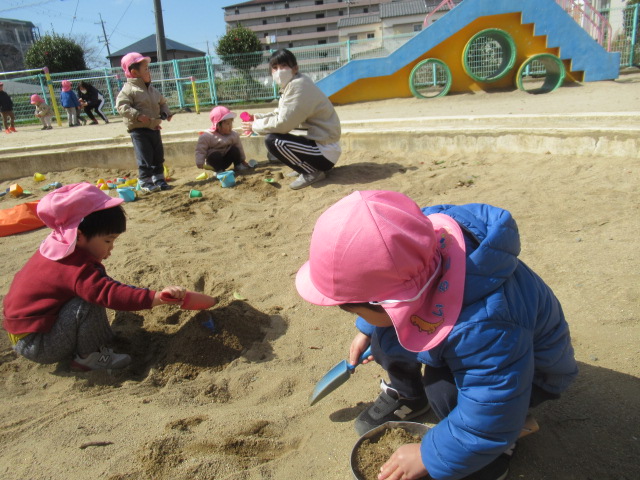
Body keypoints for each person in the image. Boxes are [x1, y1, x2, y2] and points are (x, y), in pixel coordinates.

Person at [295, 190, 578, 480]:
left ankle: (492, 457)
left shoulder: (487, 324)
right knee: (385, 338)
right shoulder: (415, 244)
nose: (360, 318)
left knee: (443, 389)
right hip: (468, 337)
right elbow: (384, 284)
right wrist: (368, 328)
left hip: (528, 376)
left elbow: (493, 407)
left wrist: (430, 454)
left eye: (359, 312)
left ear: (390, 302)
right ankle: (409, 395)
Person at [2, 183, 195, 371]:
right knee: (88, 302)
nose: (111, 247)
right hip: (39, 345)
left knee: (86, 294)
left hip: (24, 331)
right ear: (79, 235)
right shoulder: (75, 267)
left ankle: (85, 343)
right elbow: (109, 293)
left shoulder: (57, 246)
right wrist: (157, 297)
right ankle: (89, 357)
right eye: (108, 240)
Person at [242, 49, 341, 190]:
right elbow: (281, 113)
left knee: (273, 140)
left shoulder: (298, 86)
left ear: (295, 68)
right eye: (275, 68)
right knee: (278, 134)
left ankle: (312, 171)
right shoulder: (292, 84)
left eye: (283, 66)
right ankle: (305, 167)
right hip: (321, 143)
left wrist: (255, 126)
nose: (279, 71)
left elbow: (283, 123)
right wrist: (257, 118)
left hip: (325, 150)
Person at [116, 52, 173, 193]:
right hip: (139, 131)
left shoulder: (152, 90)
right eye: (146, 69)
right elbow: (121, 106)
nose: (149, 72)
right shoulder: (129, 90)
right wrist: (137, 115)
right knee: (145, 156)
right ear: (134, 72)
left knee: (158, 156)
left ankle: (159, 179)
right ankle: (145, 181)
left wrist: (166, 112)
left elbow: (162, 102)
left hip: (154, 128)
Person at [195, 106, 250, 175]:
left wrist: (242, 160)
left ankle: (238, 165)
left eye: (231, 123)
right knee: (215, 155)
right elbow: (200, 150)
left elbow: (239, 147)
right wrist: (200, 162)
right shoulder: (207, 136)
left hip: (226, 160)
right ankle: (219, 171)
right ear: (218, 125)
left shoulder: (233, 134)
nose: (230, 126)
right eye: (227, 124)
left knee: (235, 149)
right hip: (214, 163)